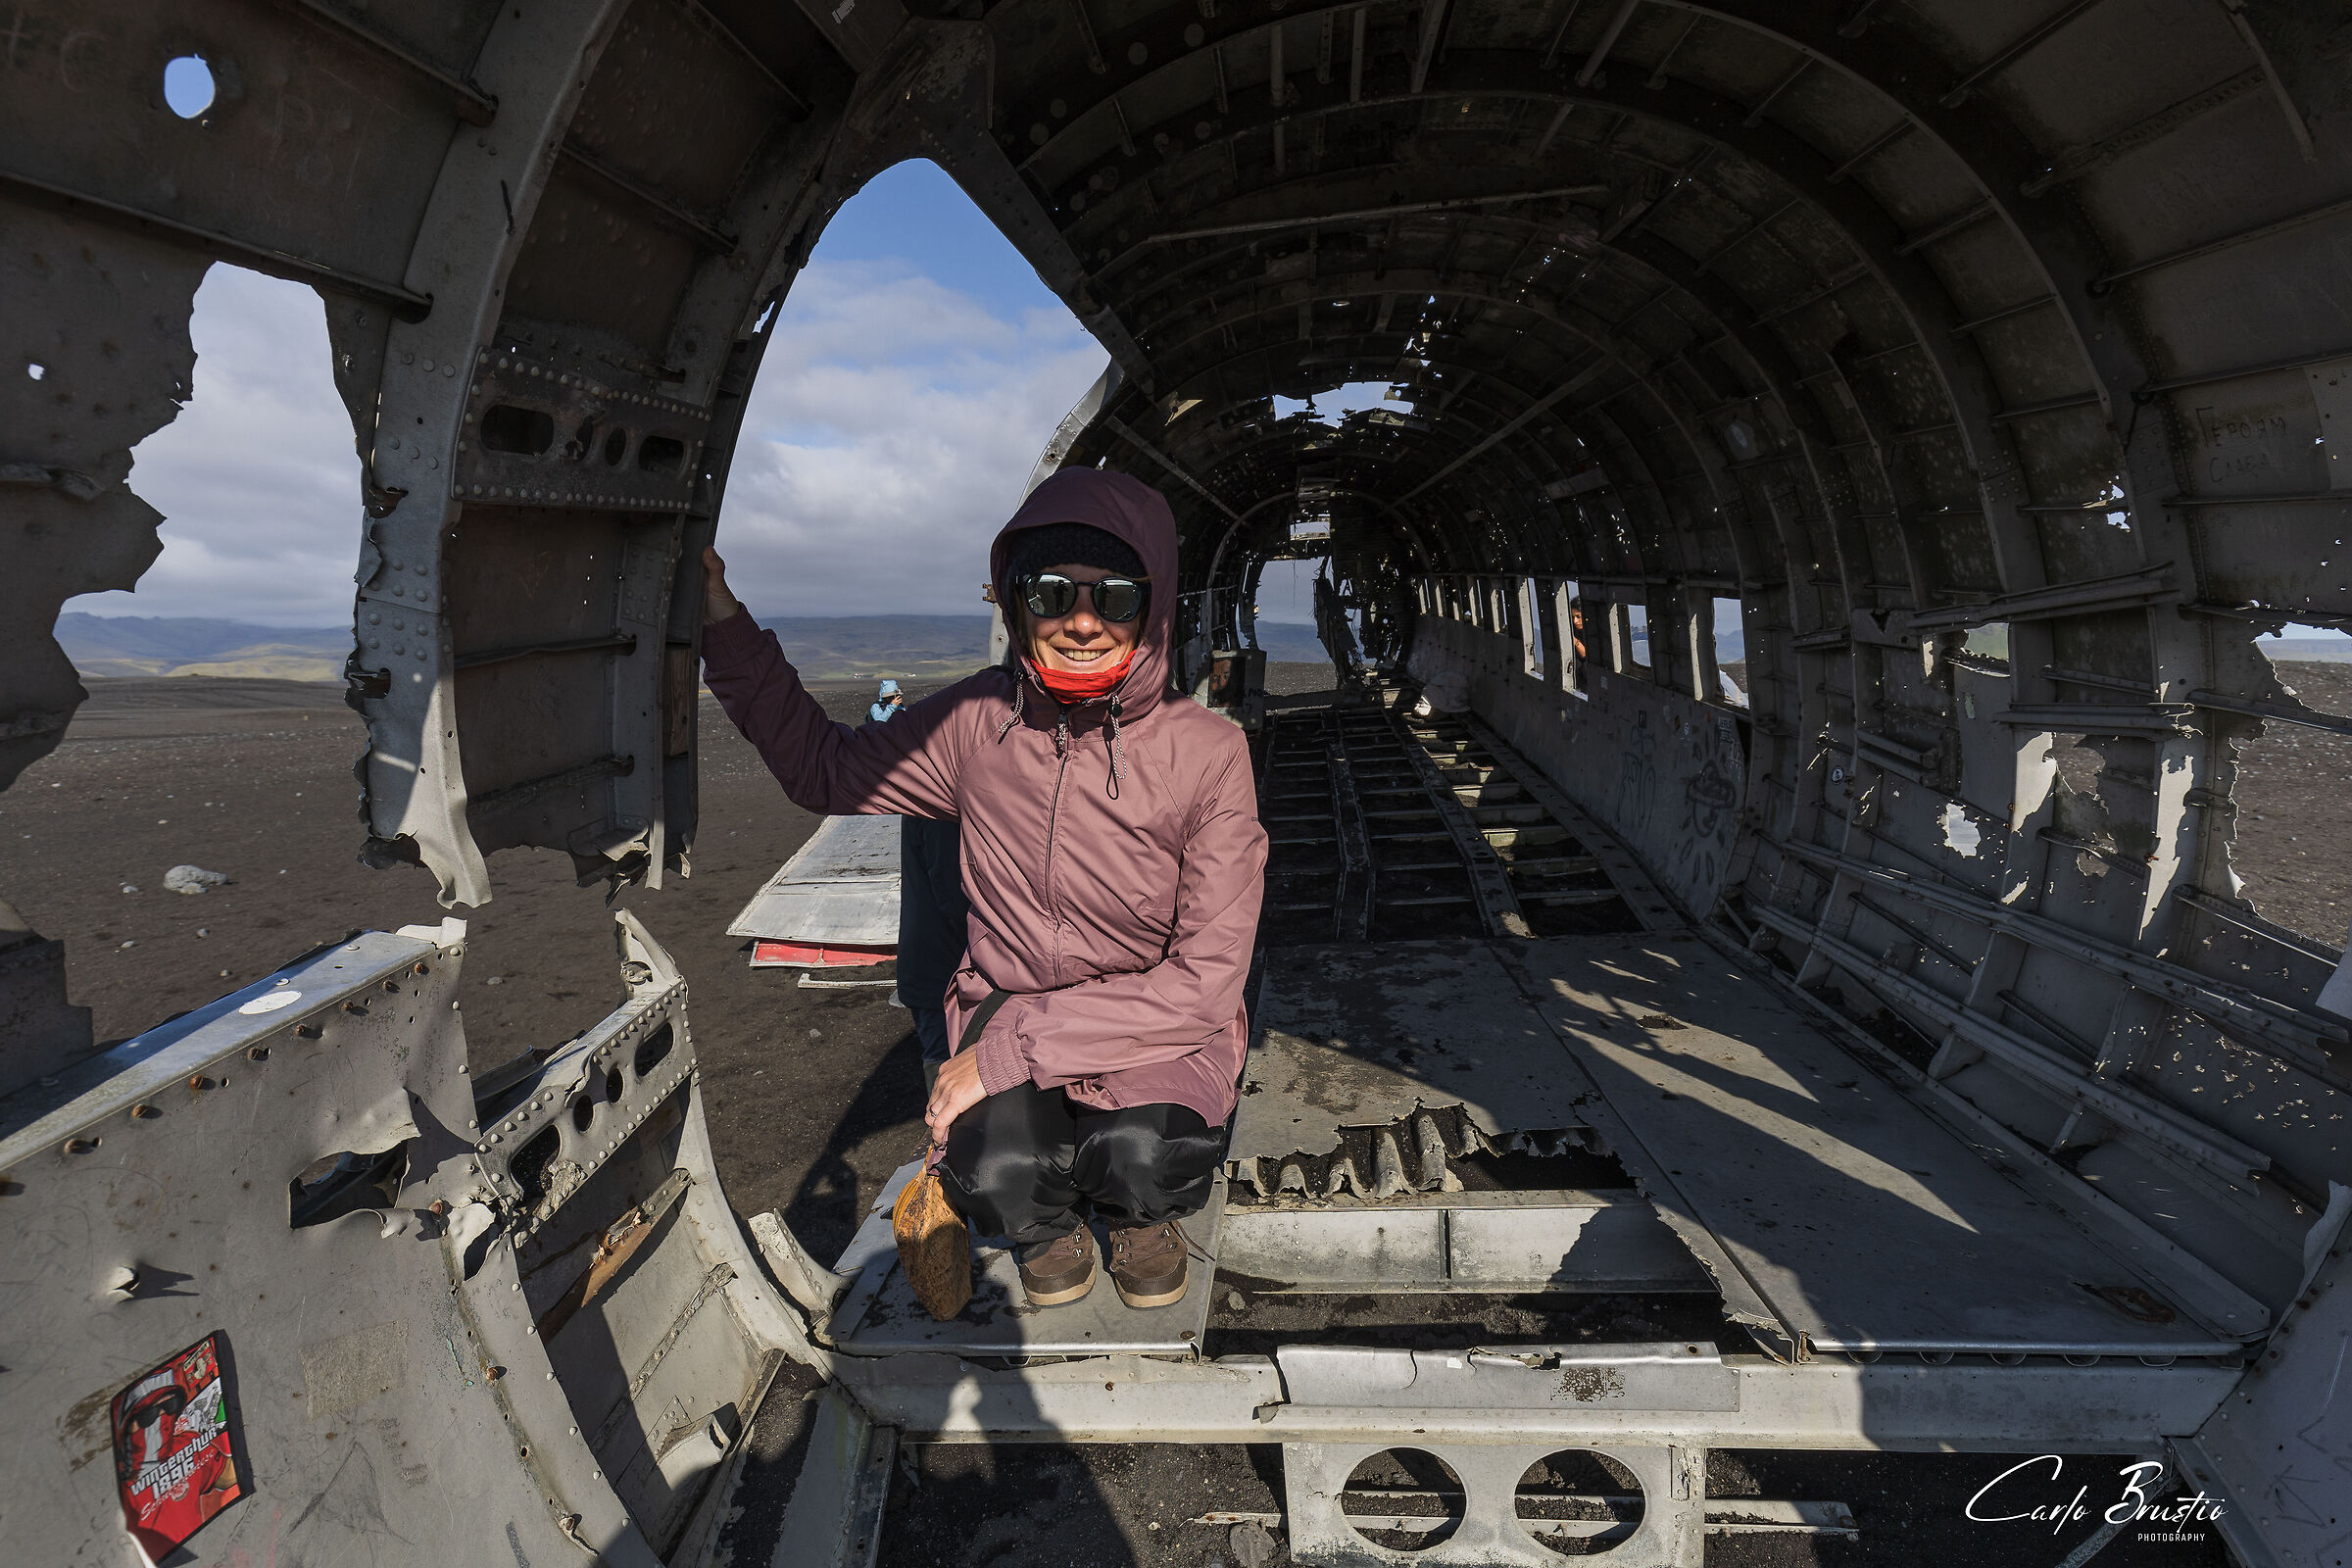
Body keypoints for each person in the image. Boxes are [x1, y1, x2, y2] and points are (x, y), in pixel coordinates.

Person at [700, 469, 1266, 1310]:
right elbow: (823, 769)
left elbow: (1206, 983)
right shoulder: (975, 725)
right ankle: (1048, 1230)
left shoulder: (1209, 754)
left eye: (1114, 597)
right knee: (996, 1167)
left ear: (1152, 607)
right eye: (1052, 593)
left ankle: (1143, 1219)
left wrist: (1000, 1057)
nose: (1083, 621)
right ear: (1015, 603)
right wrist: (719, 617)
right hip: (1016, 997)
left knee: (1142, 1152)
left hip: (1154, 1020)